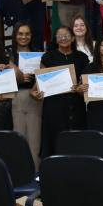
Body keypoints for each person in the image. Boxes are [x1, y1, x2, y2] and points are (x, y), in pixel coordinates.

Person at [34, 26, 89, 157]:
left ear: (73, 38)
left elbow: (85, 81)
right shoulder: (48, 57)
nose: (63, 39)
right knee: (55, 140)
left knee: (77, 141)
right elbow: (38, 85)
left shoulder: (82, 57)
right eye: (59, 36)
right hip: (54, 107)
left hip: (76, 106)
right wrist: (34, 94)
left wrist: (81, 87)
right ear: (56, 39)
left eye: (66, 36)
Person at [8, 22, 43, 165]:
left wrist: (35, 87)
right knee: (19, 136)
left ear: (31, 35)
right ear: (15, 35)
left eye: (27, 33)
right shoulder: (7, 54)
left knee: (35, 137)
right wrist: (12, 69)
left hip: (35, 96)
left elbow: (43, 74)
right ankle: (21, 172)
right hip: (16, 97)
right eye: (20, 33)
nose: (24, 37)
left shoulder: (38, 53)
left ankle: (36, 171)